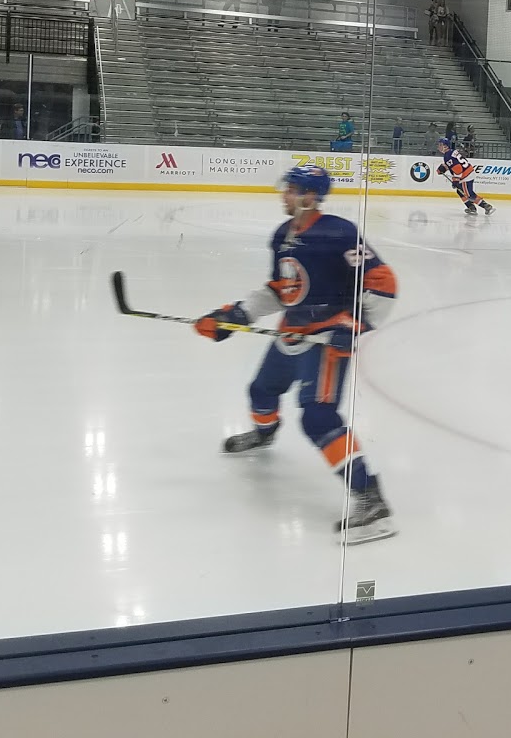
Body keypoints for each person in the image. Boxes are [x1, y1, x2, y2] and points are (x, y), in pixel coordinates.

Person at [193, 165, 398, 545]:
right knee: (261, 391)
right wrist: (234, 315)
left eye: (289, 190)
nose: (282, 196)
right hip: (292, 330)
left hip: (326, 340)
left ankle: (370, 498)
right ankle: (265, 433)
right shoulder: (282, 236)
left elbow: (383, 283)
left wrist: (353, 327)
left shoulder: (338, 232)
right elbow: (280, 289)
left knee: (318, 417)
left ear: (308, 196)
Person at [436, 137, 494, 216]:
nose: (439, 146)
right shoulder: (451, 152)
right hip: (467, 173)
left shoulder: (447, 156)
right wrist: (443, 168)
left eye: (440, 145)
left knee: (468, 194)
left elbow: (458, 169)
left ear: (446, 146)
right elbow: (454, 164)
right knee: (460, 191)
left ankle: (486, 206)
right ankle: (471, 207)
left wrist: (455, 180)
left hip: (466, 176)